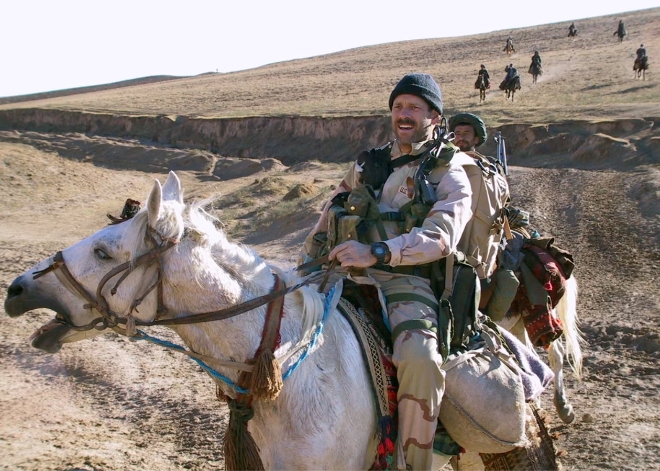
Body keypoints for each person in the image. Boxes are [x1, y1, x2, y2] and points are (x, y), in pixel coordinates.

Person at [299, 73, 473, 470]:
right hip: (344, 271)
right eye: (398, 107)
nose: (404, 115)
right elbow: (330, 214)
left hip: (405, 279)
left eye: (414, 107)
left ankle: (412, 462)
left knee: (421, 359)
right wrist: (305, 267)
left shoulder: (449, 172)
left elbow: (441, 237)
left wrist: (377, 252)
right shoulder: (368, 163)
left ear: (434, 116)